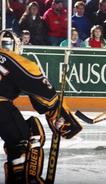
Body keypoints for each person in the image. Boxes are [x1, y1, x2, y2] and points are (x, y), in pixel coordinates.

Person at [0, 29, 82, 183]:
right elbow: (43, 93)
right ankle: (23, 179)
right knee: (28, 136)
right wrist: (60, 115)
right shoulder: (11, 58)